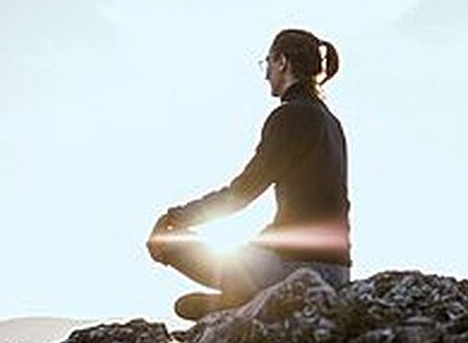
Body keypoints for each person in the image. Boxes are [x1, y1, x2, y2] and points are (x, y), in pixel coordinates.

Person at [146, 28, 351, 320]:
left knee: (166, 243)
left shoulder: (291, 115)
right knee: (250, 250)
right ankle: (242, 300)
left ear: (282, 62)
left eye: (267, 62)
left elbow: (241, 193)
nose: (266, 73)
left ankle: (244, 302)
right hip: (338, 272)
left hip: (297, 270)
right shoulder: (332, 123)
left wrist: (175, 217)